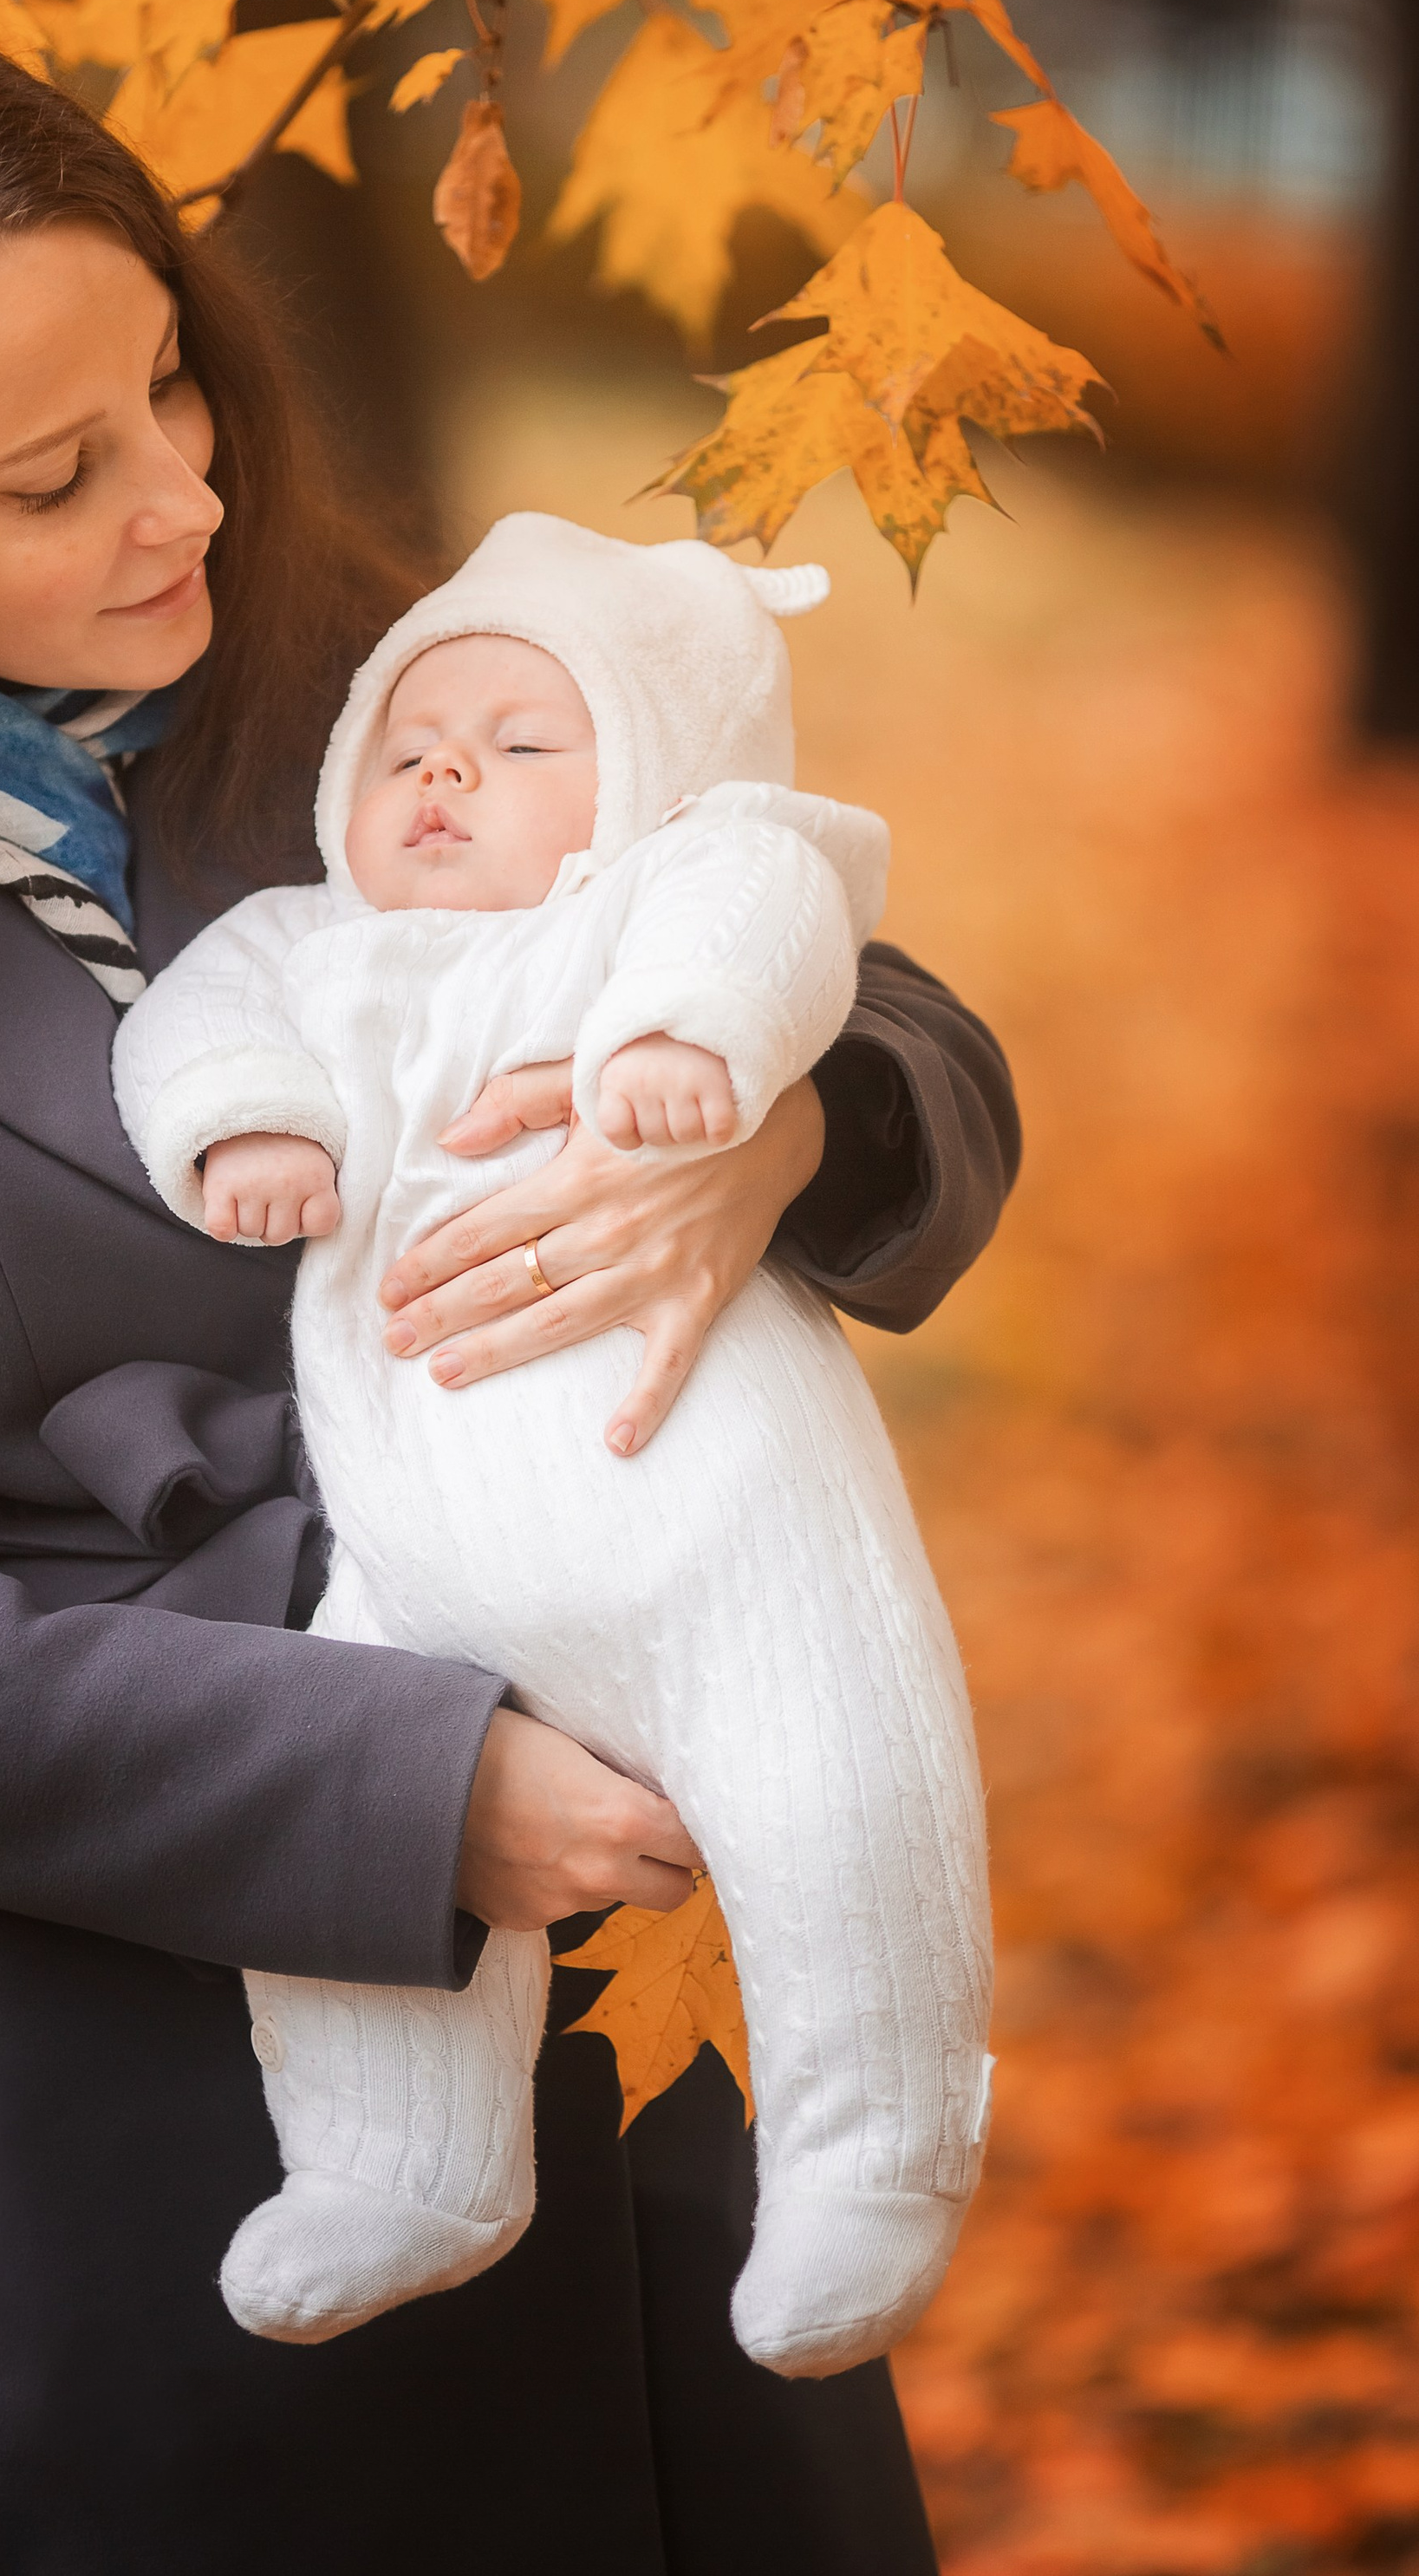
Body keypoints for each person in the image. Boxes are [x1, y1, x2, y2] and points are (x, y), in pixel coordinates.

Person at [0, 0, 1021, 2576]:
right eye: (55, 475)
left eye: (169, 387)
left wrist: (774, 1128)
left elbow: (807, 924)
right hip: (149, 2173)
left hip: (660, 2118)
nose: (181, 503)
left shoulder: (333, 667)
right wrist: (409, 1791)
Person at [112, 518, 993, 2372]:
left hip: (723, 1531)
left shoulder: (662, 885)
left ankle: (871, 2157)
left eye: (522, 745)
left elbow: (769, 910)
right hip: (417, 1562)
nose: (447, 771)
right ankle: (397, 2162)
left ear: (643, 785)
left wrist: (714, 1053)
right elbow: (187, 1025)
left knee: (839, 1807)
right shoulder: (303, 945)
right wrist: (247, 1128)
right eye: (410, 747)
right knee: (342, 1824)